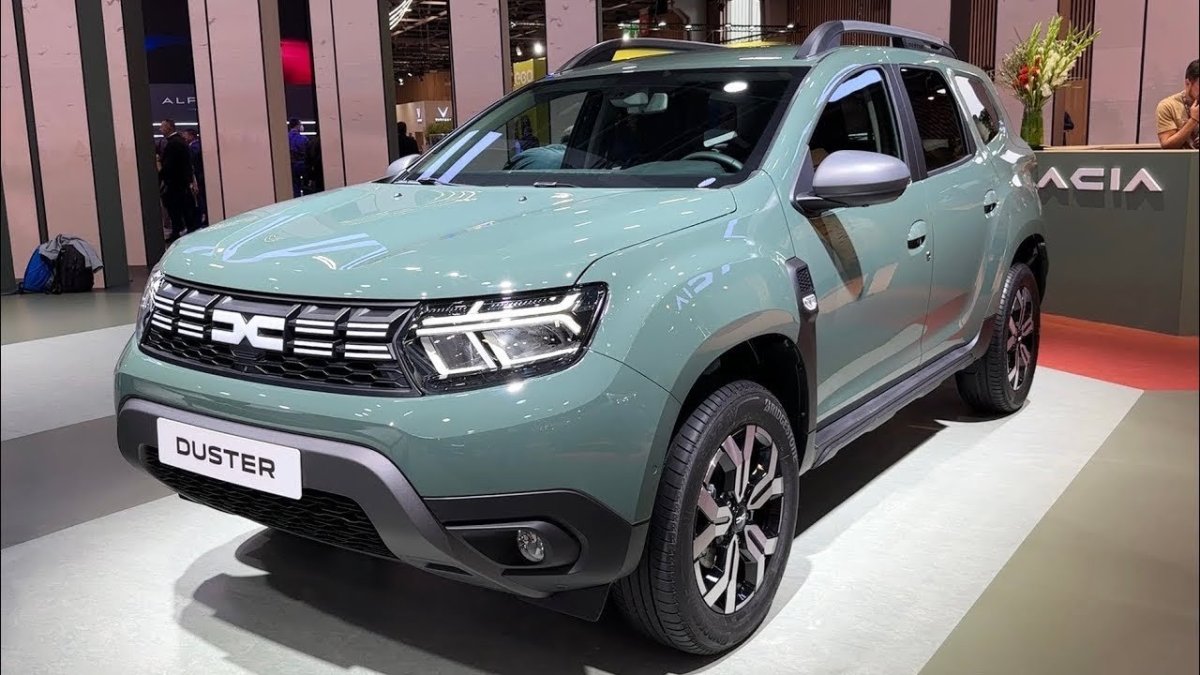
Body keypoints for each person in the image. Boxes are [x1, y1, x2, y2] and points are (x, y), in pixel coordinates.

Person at [158, 119, 198, 241]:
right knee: (184, 208)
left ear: (169, 127)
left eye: (162, 127)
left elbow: (169, 165)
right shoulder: (179, 142)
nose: (160, 129)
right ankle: (185, 230)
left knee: (175, 209)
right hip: (181, 183)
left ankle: (178, 232)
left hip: (175, 183)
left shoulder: (173, 144)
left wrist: (161, 177)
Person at [1156, 59, 1200, 150]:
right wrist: (1193, 120)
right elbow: (1167, 145)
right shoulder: (1168, 106)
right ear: (1188, 83)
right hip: (1183, 158)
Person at [182, 129, 207, 227]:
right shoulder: (194, 146)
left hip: (198, 176)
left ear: (191, 136)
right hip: (198, 176)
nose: (183, 137)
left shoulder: (195, 147)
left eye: (185, 134)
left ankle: (203, 218)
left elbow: (193, 160)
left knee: (201, 198)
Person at [288, 118, 308, 197]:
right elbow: (308, 152)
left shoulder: (286, 138)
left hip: (291, 165)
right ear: (297, 125)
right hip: (303, 165)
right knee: (306, 185)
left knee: (295, 186)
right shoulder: (304, 139)